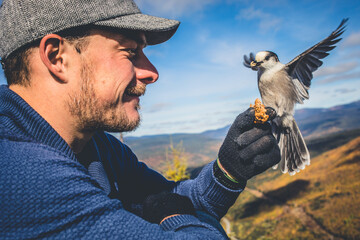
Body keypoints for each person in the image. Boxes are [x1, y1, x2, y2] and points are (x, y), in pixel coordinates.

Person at [0, 0, 281, 239]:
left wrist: (228, 170)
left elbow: (173, 198)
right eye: (131, 52)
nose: (152, 73)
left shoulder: (98, 148)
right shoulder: (19, 175)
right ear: (57, 57)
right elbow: (174, 209)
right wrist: (172, 214)